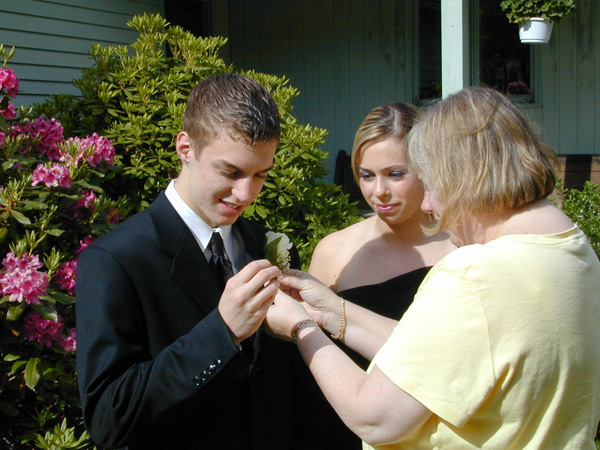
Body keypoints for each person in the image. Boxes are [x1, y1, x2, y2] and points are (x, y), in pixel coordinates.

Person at [266, 86, 600, 449]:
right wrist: (332, 312)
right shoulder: (572, 247)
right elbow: (434, 356)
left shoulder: (475, 273)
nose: (428, 204)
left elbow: (375, 418)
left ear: (466, 177)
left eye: (432, 183)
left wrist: (300, 325)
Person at [76, 73, 339, 450]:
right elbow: (108, 418)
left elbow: (297, 390)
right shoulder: (115, 261)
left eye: (260, 175)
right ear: (186, 147)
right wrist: (222, 332)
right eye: (230, 172)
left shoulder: (267, 245)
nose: (245, 193)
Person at [309, 102, 454, 371]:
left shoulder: (460, 245)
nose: (379, 191)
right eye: (366, 175)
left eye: (395, 174)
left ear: (426, 168)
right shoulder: (333, 250)